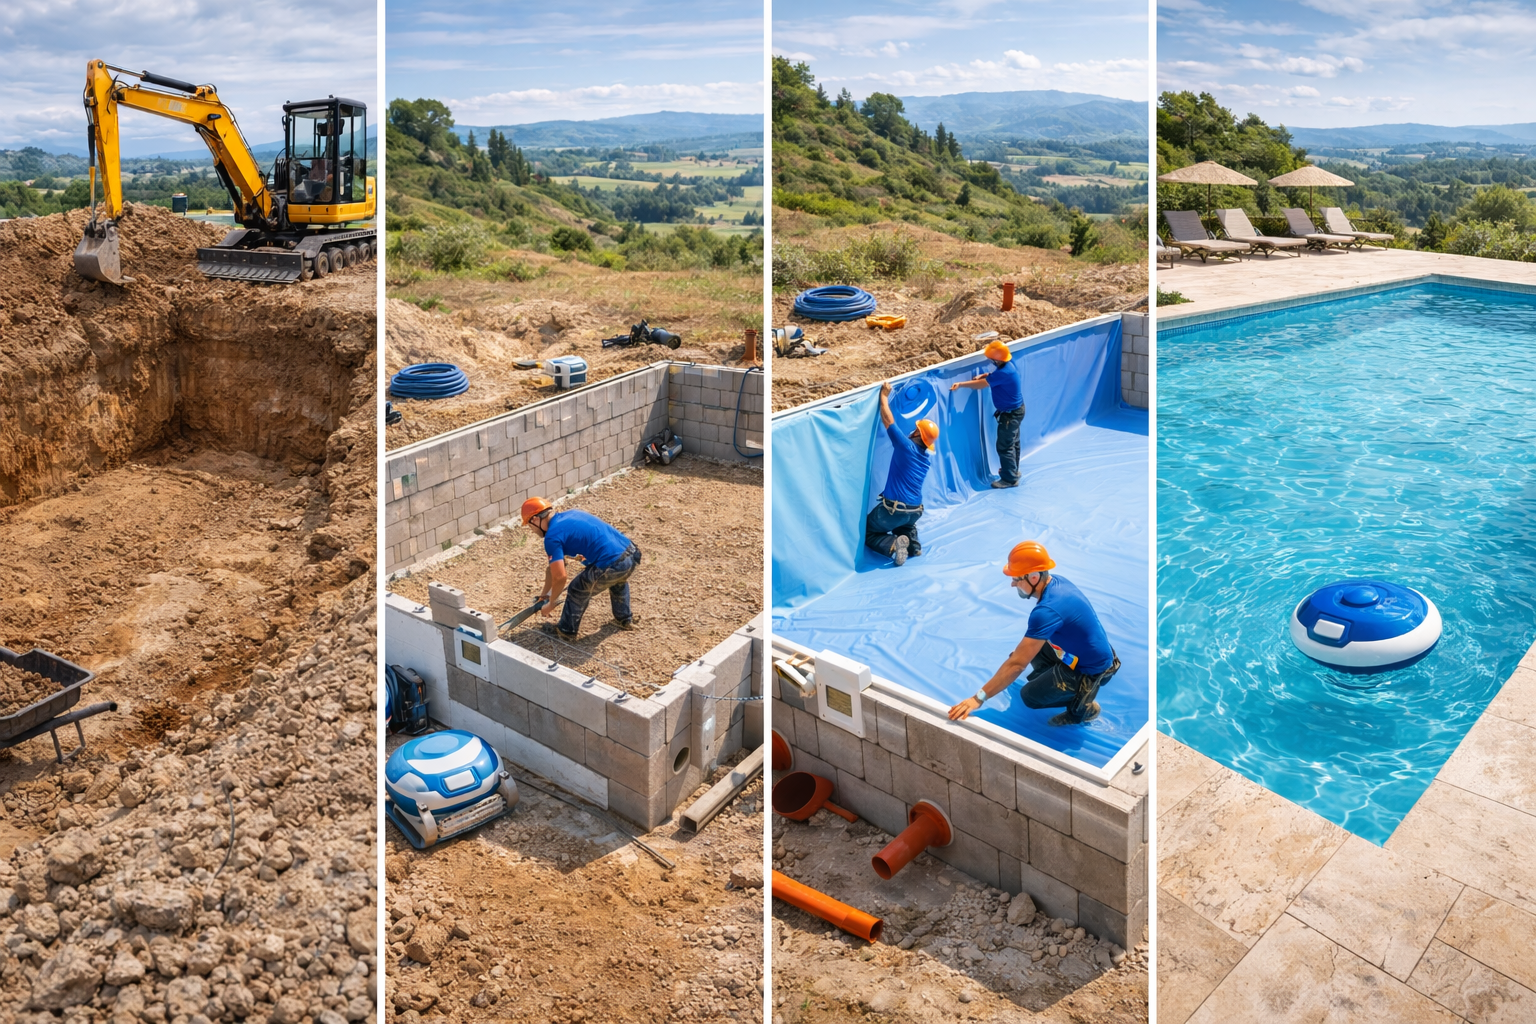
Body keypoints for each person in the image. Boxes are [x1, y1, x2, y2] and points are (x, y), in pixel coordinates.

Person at [948, 541, 1120, 726]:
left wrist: (978, 698)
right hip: (1089, 653)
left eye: (1016, 578)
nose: (1013, 584)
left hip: (1093, 670)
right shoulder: (1057, 583)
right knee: (1027, 652)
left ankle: (1083, 706)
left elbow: (1016, 666)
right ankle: (1056, 683)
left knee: (1029, 696)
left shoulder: (1047, 611)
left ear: (1034, 577)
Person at [520, 497, 641, 639]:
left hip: (612, 564)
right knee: (617, 579)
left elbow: (560, 577)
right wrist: (545, 595)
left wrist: (552, 603)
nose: (532, 531)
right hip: (632, 555)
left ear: (535, 519)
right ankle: (624, 619)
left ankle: (566, 631)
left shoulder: (551, 537)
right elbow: (553, 570)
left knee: (577, 589)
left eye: (529, 526)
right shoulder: (571, 515)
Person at [866, 382, 939, 567]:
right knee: (905, 524)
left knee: (868, 530)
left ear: (916, 433)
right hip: (915, 511)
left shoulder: (906, 446)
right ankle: (913, 546)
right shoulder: (925, 459)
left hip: (894, 510)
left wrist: (884, 396)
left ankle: (892, 545)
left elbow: (888, 420)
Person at [949, 340, 1025, 488]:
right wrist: (986, 375)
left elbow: (981, 385)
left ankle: (1009, 479)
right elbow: (994, 377)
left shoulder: (1004, 372)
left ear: (997, 360)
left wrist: (961, 385)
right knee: (1013, 442)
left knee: (1004, 446)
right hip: (1016, 411)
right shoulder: (1009, 365)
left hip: (1010, 415)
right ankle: (1013, 471)